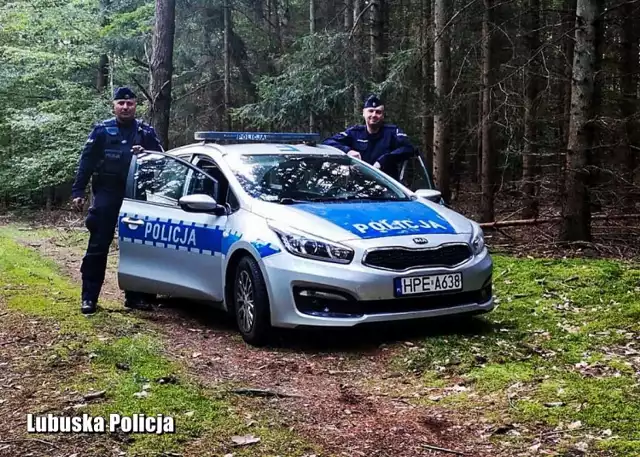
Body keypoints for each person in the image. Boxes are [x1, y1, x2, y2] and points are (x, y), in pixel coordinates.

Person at [71, 87, 164, 315]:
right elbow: (87, 162)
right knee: (98, 246)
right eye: (121, 103)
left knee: (136, 246)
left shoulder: (146, 132)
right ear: (114, 106)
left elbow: (162, 161)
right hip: (106, 192)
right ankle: (89, 298)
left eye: (129, 103)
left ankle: (136, 296)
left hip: (136, 195)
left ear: (135, 105)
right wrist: (77, 191)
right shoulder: (102, 131)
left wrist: (146, 155)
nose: (125, 107)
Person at [322, 94, 417, 178]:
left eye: (378, 112)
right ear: (363, 113)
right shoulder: (355, 132)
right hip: (359, 186)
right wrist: (348, 151)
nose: (374, 115)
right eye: (371, 111)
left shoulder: (392, 132)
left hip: (388, 187)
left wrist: (385, 160)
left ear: (383, 115)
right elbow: (328, 142)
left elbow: (409, 148)